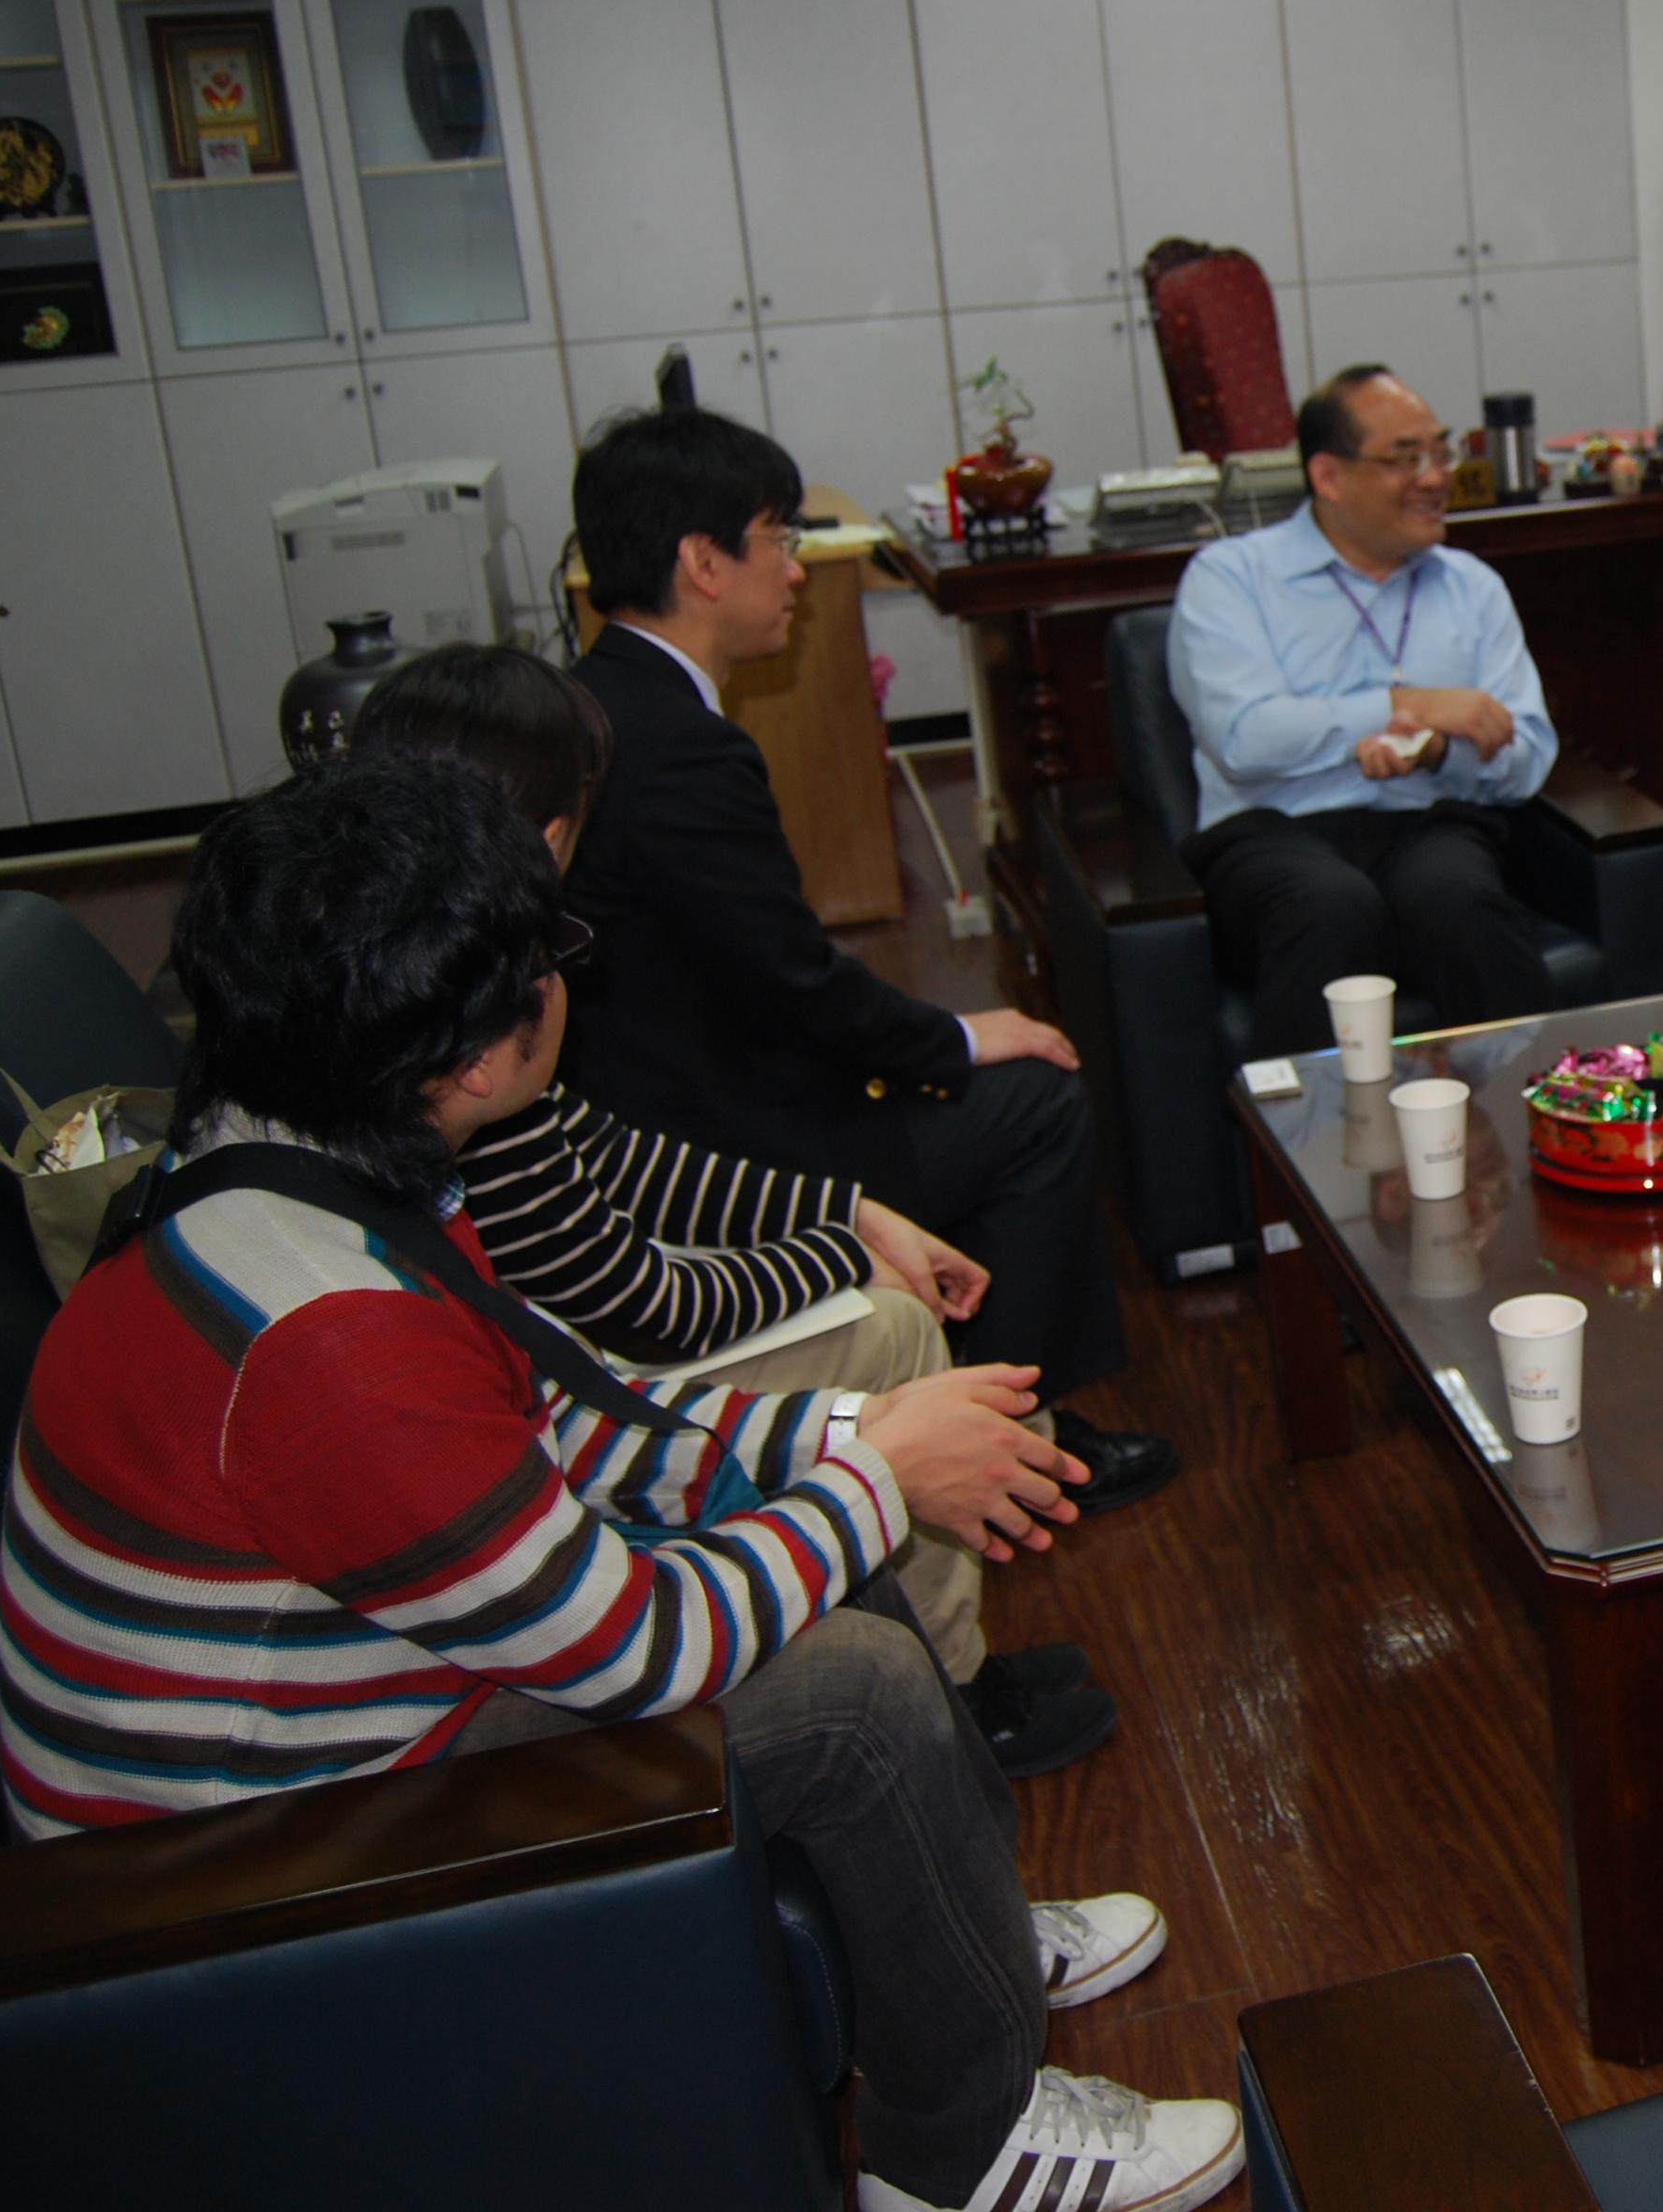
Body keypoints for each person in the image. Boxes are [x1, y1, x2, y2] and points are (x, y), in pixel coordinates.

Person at [0, 755, 1242, 2212]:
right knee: (851, 1689)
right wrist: (878, 1476)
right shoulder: (329, 1342)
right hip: (239, 1881)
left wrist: (853, 1434)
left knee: (822, 1537)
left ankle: (956, 1927)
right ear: (471, 1061)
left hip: (328, 1730)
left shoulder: (287, 1165)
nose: (564, 978)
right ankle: (956, 2153)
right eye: (549, 956)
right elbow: (633, 1641)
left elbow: (564, 1422)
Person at [353, 644, 1111, 1777]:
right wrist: (830, 1250)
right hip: (565, 1386)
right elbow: (635, 1301)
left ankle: (940, 1642)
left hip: (553, 1361)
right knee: (897, 1327)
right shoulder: (465, 1021)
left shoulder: (422, 965)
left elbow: (601, 1153)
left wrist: (848, 1212)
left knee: (874, 1287)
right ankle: (959, 1698)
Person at [555, 405, 1171, 1513]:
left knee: (985, 1075)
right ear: (703, 562)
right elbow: (794, 990)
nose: (795, 572)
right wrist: (952, 1039)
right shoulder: (681, 752)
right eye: (778, 540)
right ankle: (1017, 1440)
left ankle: (982, 1403)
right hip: (709, 1146)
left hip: (640, 1102)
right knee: (1032, 1097)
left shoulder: (591, 704)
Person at [1167, 363, 1562, 1058]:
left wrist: (1438, 748)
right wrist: (1405, 706)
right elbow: (1244, 737)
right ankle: (1304, 1157)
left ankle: (1535, 1133)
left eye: (1441, 452)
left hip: (1425, 825)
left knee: (1461, 902)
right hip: (1271, 833)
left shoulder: (1472, 588)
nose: (1436, 477)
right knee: (1330, 907)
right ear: (1329, 477)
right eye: (1405, 459)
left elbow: (1527, 757)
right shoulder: (1232, 578)